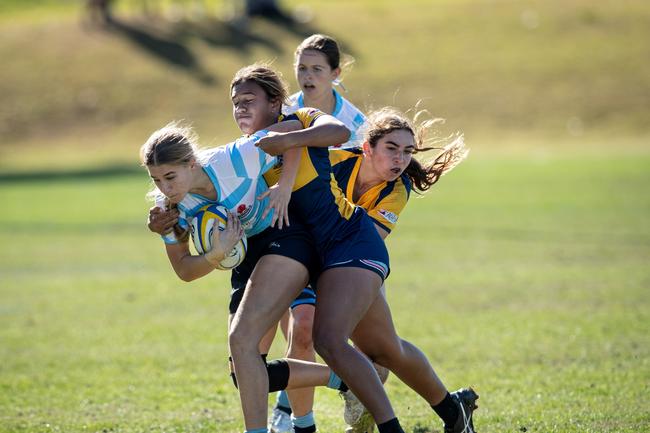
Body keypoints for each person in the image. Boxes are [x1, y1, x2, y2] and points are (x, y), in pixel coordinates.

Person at [270, 32, 368, 433]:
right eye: (301, 68)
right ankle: (290, 415)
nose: (307, 76)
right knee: (300, 327)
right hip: (287, 230)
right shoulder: (283, 111)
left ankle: (286, 404)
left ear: (335, 73)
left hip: (335, 236)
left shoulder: (355, 124)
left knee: (318, 331)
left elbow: (363, 182)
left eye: (316, 69)